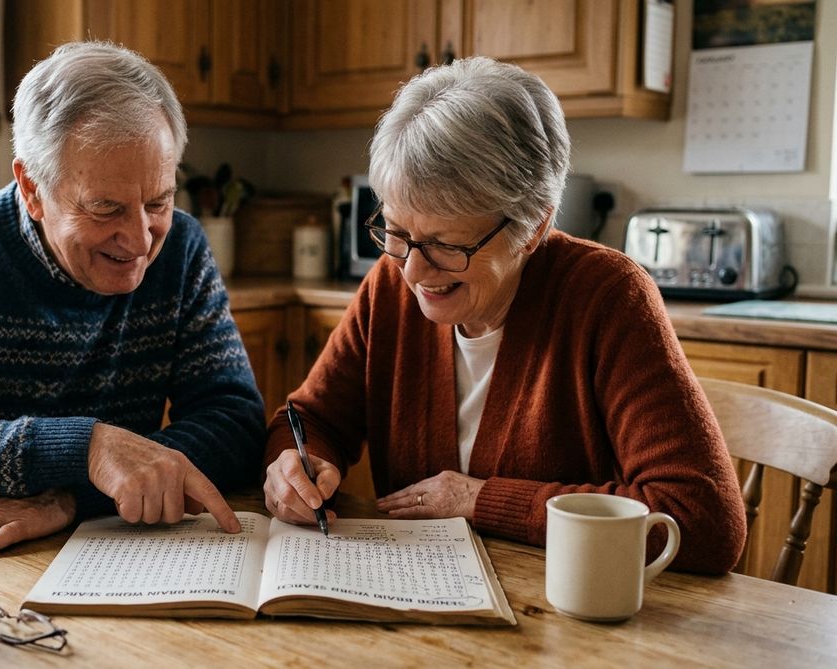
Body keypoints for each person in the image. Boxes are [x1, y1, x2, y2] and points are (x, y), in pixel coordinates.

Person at [262, 57, 746, 574]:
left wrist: (480, 499)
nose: (412, 273)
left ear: (532, 229)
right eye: (397, 233)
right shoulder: (389, 285)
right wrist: (296, 464)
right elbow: (308, 419)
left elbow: (703, 521)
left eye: (447, 245)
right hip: (417, 594)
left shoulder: (608, 298)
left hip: (568, 615)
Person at [0, 41, 265, 560]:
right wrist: (85, 449)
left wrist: (70, 497)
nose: (140, 239)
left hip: (118, 552)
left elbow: (236, 426)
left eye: (158, 201)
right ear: (32, 188)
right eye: (105, 208)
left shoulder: (183, 249)